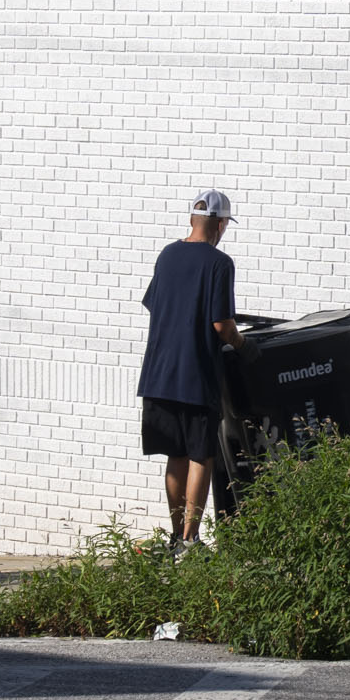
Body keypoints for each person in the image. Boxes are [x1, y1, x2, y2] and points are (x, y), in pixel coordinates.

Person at [136, 188, 239, 553]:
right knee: (201, 455)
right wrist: (244, 346)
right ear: (220, 224)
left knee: (174, 455)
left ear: (192, 220)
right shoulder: (218, 263)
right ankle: (191, 541)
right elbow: (221, 326)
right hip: (196, 375)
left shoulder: (167, 256)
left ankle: (174, 538)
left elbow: (156, 305)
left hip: (158, 374)